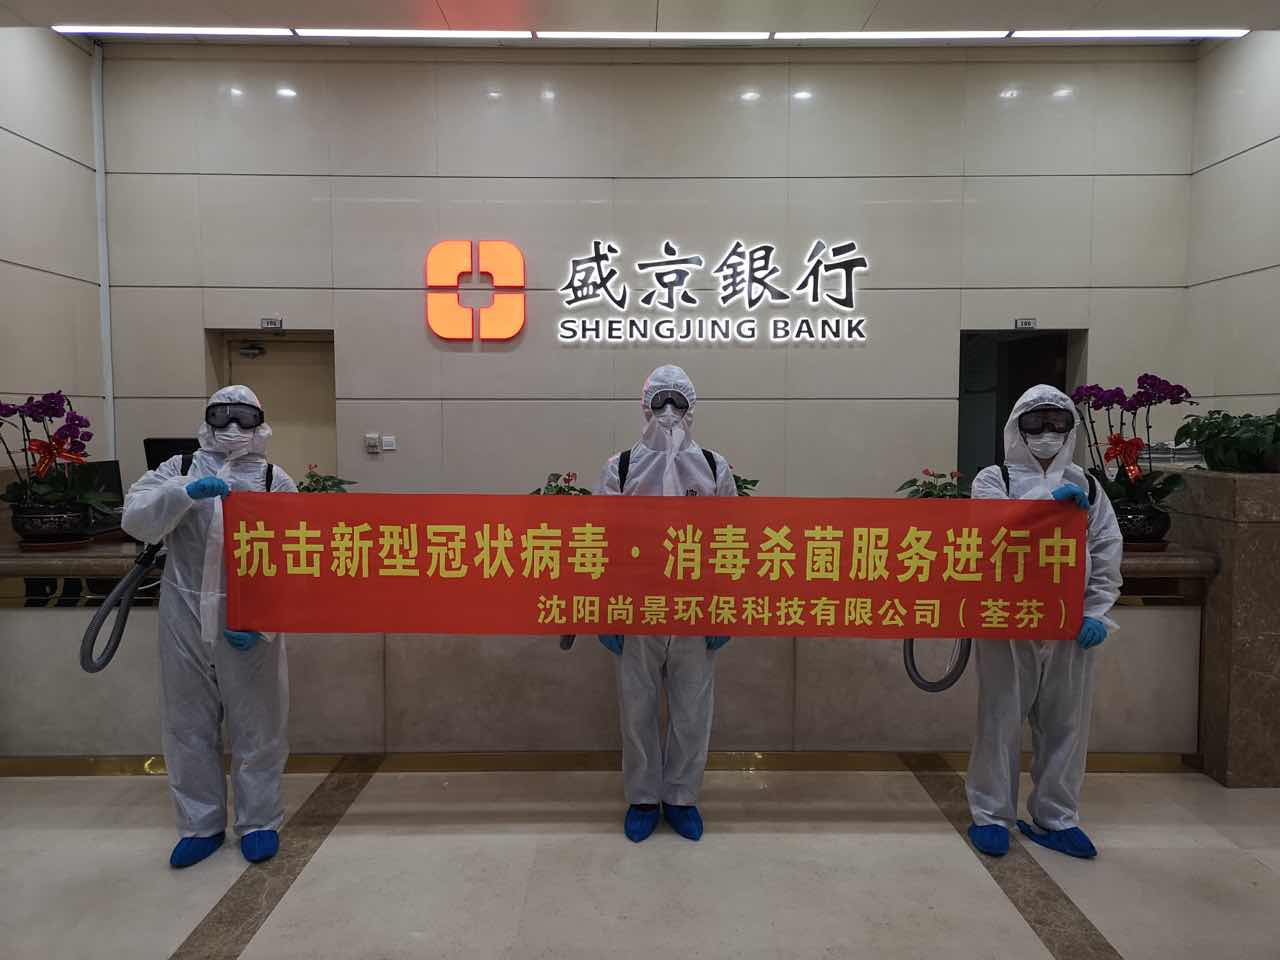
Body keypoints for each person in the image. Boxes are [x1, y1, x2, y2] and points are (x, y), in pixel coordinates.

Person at [122, 385, 297, 869]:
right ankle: (200, 825)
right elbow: (136, 519)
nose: (233, 428)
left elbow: (293, 556)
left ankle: (258, 822)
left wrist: (265, 621)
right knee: (187, 722)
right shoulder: (177, 468)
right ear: (207, 420)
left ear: (260, 423)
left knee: (258, 723)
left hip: (249, 619)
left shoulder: (273, 479)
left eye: (243, 417)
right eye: (222, 416)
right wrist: (183, 493)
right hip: (184, 611)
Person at [965, 384, 1123, 860]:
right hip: (1006, 622)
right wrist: (1049, 500)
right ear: (1017, 427)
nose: (1046, 433)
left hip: (1070, 627)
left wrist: (1096, 612)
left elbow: (1106, 550)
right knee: (1000, 720)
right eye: (1035, 423)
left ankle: (1057, 817)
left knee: (1066, 725)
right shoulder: (993, 479)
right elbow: (992, 528)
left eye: (1057, 422)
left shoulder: (1088, 486)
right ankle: (991, 814)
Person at [596, 365, 738, 843]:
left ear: (692, 406)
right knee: (636, 708)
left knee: (692, 710)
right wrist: (607, 611)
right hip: (638, 610)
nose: (670, 411)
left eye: (678, 400)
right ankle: (642, 798)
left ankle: (681, 797)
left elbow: (731, 542)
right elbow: (603, 544)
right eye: (661, 401)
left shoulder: (714, 467)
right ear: (645, 406)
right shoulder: (620, 468)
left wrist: (723, 608)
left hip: (695, 610)